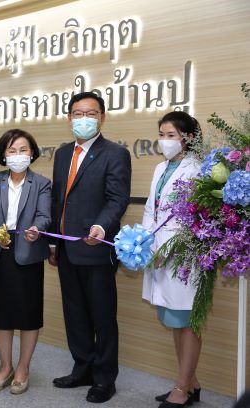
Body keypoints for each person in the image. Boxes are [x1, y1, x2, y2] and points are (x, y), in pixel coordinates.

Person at [48, 91, 131, 403]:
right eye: (78, 113)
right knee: (75, 313)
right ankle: (82, 367)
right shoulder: (62, 154)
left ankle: (104, 378)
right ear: (69, 118)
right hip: (67, 248)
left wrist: (102, 225)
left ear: (102, 118)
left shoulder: (115, 153)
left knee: (102, 316)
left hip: (96, 247)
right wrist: (53, 241)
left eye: (91, 113)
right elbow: (59, 201)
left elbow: (117, 199)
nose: (84, 119)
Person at [0, 129, 51, 395]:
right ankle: (5, 366)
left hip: (28, 252)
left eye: (23, 150)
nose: (17, 155)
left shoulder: (41, 183)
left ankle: (23, 367)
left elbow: (45, 215)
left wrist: (37, 229)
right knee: (2, 313)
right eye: (12, 150)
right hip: (0, 250)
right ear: (3, 154)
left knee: (28, 314)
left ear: (31, 153)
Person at [142, 111, 203, 408]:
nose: (164, 141)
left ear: (188, 138)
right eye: (161, 135)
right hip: (158, 253)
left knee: (187, 322)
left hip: (182, 258)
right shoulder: (160, 168)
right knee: (174, 321)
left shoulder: (197, 170)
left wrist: (165, 249)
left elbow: (191, 219)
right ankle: (191, 383)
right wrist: (146, 243)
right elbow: (151, 210)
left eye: (171, 135)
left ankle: (182, 388)